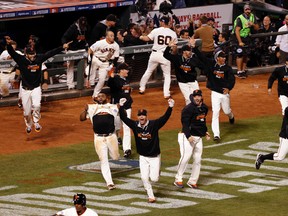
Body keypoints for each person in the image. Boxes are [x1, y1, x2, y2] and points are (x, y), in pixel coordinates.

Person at [5, 36, 70, 134]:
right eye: (30, 54)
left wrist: (62, 47)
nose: (32, 56)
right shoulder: (21, 59)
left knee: (36, 105)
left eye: (33, 54)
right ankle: (28, 125)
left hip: (36, 88)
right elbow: (12, 53)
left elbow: (50, 53)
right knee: (26, 113)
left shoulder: (39, 58)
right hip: (25, 89)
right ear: (26, 54)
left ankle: (36, 121)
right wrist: (9, 44)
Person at [118, 97, 174, 203]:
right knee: (144, 178)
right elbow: (124, 118)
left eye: (143, 115)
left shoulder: (153, 125)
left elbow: (165, 118)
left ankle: (157, 171)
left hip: (154, 156)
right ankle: (151, 196)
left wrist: (170, 108)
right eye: (139, 115)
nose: (141, 117)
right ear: (138, 117)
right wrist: (121, 107)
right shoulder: (135, 125)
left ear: (146, 116)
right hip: (143, 157)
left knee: (154, 179)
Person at [80, 92, 120, 190]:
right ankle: (109, 183)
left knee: (115, 157)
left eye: (102, 96)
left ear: (107, 98)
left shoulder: (113, 107)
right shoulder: (92, 107)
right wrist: (84, 110)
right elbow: (81, 118)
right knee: (104, 161)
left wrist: (120, 108)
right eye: (99, 96)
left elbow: (119, 121)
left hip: (111, 137)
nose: (100, 98)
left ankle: (114, 156)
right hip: (98, 138)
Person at [174, 89, 210, 189]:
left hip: (198, 137)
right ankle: (178, 179)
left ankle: (193, 181)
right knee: (185, 157)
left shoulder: (204, 108)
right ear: (192, 97)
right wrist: (188, 135)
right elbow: (185, 124)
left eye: (198, 96)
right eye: (195, 96)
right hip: (187, 137)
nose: (197, 98)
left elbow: (202, 121)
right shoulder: (188, 109)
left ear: (201, 97)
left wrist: (205, 131)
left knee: (198, 159)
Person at [198, 47, 235, 142]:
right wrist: (194, 48)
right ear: (217, 58)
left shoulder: (227, 68)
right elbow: (202, 57)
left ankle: (231, 116)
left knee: (226, 111)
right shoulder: (211, 66)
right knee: (215, 113)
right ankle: (216, 134)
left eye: (224, 57)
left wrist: (229, 88)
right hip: (214, 92)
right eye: (221, 57)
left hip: (224, 93)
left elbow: (232, 79)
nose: (224, 59)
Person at [138, 16, 178, 99]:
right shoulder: (172, 33)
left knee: (148, 71)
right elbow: (174, 48)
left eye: (160, 21)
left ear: (162, 22)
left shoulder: (156, 30)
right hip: (165, 55)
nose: (159, 23)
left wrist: (141, 36)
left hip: (155, 54)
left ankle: (142, 88)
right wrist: (173, 55)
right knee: (167, 75)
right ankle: (166, 93)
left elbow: (146, 39)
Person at [163, 38, 205, 105]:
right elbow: (166, 55)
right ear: (184, 52)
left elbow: (203, 66)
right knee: (188, 99)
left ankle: (198, 111)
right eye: (189, 51)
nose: (190, 52)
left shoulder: (193, 59)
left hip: (193, 82)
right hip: (183, 83)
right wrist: (168, 47)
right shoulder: (177, 58)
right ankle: (189, 112)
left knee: (198, 98)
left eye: (191, 51)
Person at [107, 63, 133, 158]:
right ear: (121, 70)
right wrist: (111, 76)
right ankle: (117, 139)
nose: (128, 71)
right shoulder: (115, 79)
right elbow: (109, 84)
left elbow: (126, 90)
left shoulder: (127, 79)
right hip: (116, 107)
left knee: (127, 127)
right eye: (126, 69)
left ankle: (127, 149)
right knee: (116, 127)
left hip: (127, 107)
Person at [85, 30, 120, 95]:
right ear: (107, 37)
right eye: (111, 36)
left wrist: (112, 65)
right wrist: (89, 59)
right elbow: (90, 50)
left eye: (113, 36)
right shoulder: (100, 43)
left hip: (105, 62)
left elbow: (116, 57)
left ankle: (95, 95)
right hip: (96, 59)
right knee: (89, 72)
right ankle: (88, 77)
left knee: (102, 80)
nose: (113, 37)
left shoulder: (116, 45)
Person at [232, 3, 259, 78]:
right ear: (244, 10)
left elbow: (257, 28)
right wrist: (240, 41)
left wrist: (253, 24)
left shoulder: (253, 17)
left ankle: (243, 70)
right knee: (239, 54)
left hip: (246, 37)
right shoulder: (240, 18)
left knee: (246, 54)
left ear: (251, 10)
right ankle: (239, 71)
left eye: (249, 9)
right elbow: (237, 30)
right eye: (246, 9)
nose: (247, 11)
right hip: (238, 37)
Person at [61, 16, 89, 90]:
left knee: (86, 65)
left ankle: (86, 82)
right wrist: (64, 43)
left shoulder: (85, 28)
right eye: (82, 25)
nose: (83, 27)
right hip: (72, 49)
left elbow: (87, 38)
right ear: (78, 23)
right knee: (70, 66)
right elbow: (64, 37)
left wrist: (88, 46)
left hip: (81, 49)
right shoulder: (72, 28)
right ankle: (70, 85)